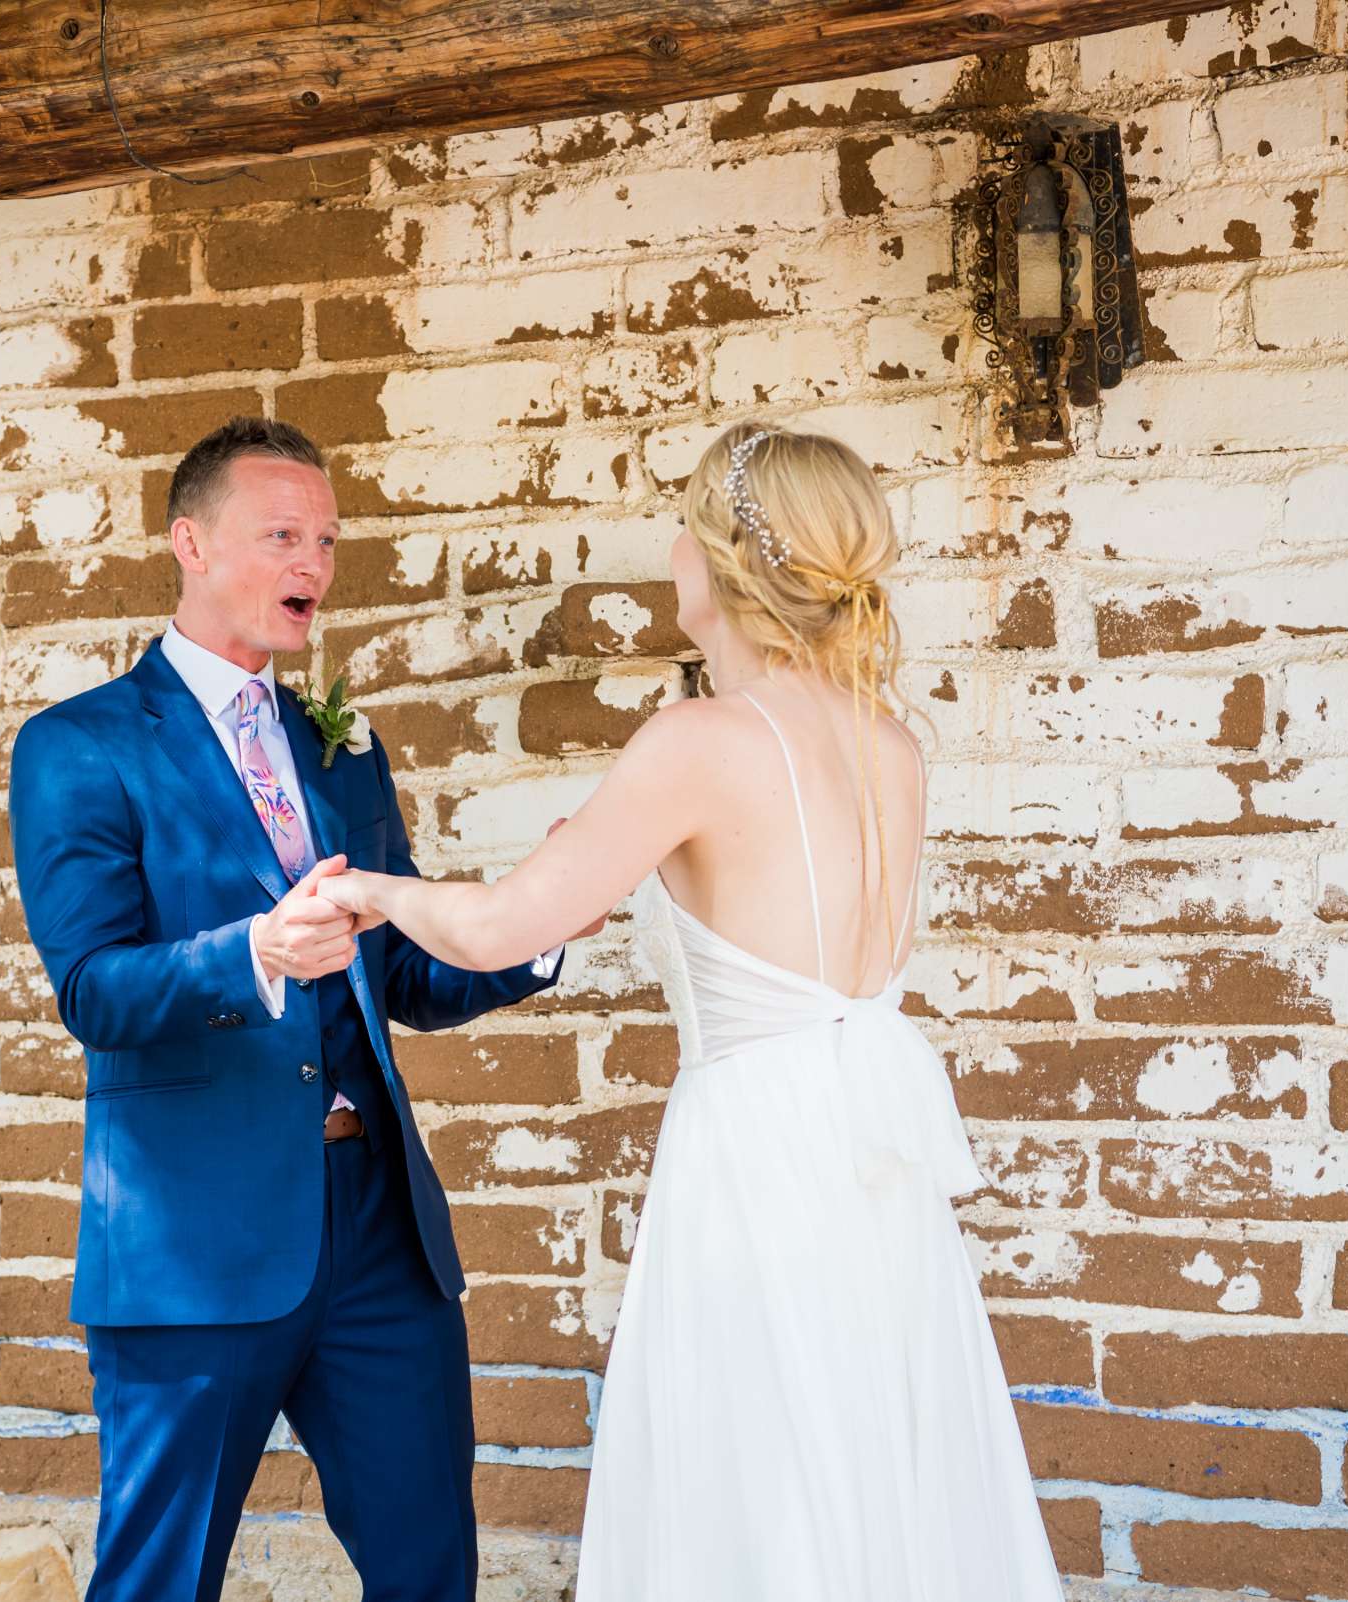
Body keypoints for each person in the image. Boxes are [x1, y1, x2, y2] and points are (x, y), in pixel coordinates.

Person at [315, 423, 1066, 1601]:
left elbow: (503, 928)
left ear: (716, 560)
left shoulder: (700, 743)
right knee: (872, 1448)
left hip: (756, 1157)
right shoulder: (891, 746)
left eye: (683, 517)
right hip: (872, 1159)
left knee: (757, 1464)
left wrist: (369, 890)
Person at [7, 417, 595, 1602]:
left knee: (431, 1568)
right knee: (159, 1582)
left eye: (326, 539)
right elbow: (93, 991)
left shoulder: (342, 750)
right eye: (283, 534)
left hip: (378, 1227)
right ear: (190, 542)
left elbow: (405, 980)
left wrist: (533, 935)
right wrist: (255, 954)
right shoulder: (77, 748)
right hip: (193, 1241)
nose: (314, 565)